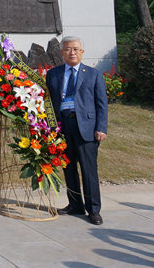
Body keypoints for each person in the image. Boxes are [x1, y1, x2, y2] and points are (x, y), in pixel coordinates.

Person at [46, 36, 108, 225]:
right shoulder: (53, 74)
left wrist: (101, 128)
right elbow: (48, 101)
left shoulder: (93, 74)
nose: (72, 52)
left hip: (86, 128)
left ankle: (93, 209)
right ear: (62, 52)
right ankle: (75, 204)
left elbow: (101, 104)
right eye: (68, 49)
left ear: (82, 52)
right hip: (62, 126)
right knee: (68, 167)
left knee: (89, 170)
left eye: (75, 49)